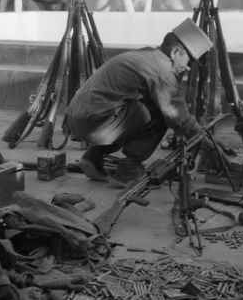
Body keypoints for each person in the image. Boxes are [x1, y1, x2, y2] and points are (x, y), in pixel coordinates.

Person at [66, 18, 212, 185]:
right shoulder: (162, 70)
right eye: (189, 61)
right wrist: (207, 142)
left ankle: (93, 158)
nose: (188, 68)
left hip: (77, 120)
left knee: (136, 106)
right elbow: (179, 119)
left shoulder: (147, 55)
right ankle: (128, 170)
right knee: (164, 112)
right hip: (97, 125)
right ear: (174, 52)